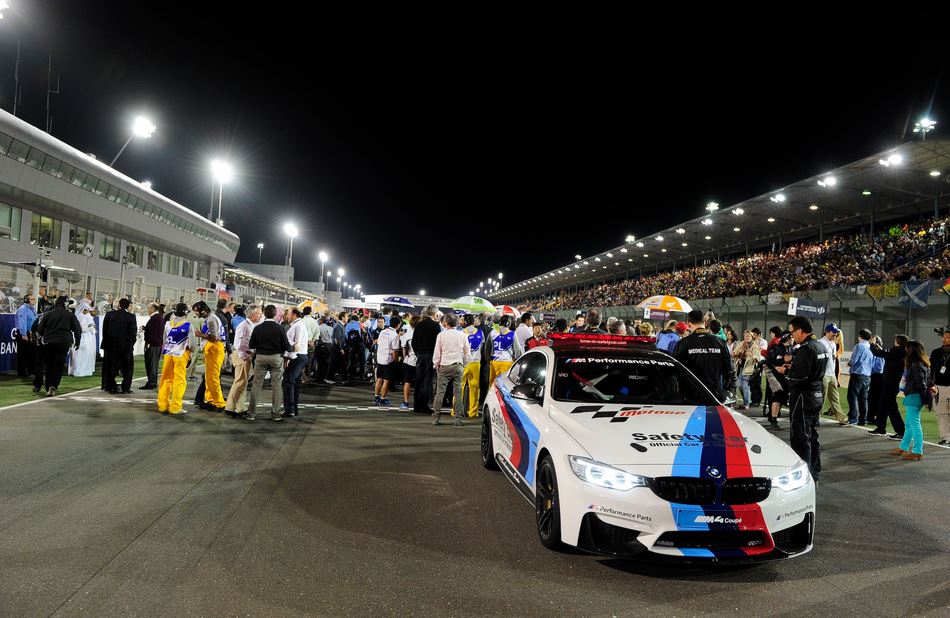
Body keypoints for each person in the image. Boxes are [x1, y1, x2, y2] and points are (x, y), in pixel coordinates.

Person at [775, 315, 826, 481]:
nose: (792, 336)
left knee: (800, 437)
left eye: (792, 332)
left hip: (803, 396)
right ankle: (814, 471)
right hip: (816, 393)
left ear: (800, 331)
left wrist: (786, 371)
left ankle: (803, 476)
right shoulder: (820, 346)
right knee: (812, 435)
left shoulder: (805, 348)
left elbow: (800, 376)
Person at [673, 309, 736, 401]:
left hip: (689, 396)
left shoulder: (682, 343)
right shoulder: (720, 342)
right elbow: (728, 370)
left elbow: (676, 370)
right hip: (713, 394)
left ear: (689, 323)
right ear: (705, 321)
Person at [246, 304, 291, 422]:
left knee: (256, 385)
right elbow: (287, 346)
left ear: (264, 314)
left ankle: (251, 413)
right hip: (276, 358)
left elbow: (251, 345)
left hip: (261, 357)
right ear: (275, 314)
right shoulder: (280, 328)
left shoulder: (258, 328)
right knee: (276, 386)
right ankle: (276, 413)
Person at [890, 340, 931, 461]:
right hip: (915, 395)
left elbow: (921, 382)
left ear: (912, 350)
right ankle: (903, 447)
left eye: (907, 348)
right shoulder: (923, 362)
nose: (905, 350)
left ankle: (918, 451)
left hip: (914, 395)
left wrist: (923, 397)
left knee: (914, 424)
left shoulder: (915, 363)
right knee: (909, 424)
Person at [33, 296, 82, 397]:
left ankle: (48, 386)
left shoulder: (47, 314)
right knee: (58, 365)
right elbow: (77, 330)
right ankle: (53, 385)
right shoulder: (70, 315)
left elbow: (39, 330)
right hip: (63, 343)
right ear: (65, 304)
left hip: (49, 342)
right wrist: (78, 342)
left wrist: (42, 339)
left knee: (49, 365)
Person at [431, 313, 471, 426]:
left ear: (446, 323)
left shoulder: (441, 335)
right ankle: (457, 418)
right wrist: (464, 364)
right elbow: (467, 353)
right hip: (458, 365)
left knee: (440, 393)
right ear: (457, 323)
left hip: (444, 365)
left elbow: (437, 352)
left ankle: (436, 418)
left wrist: (436, 365)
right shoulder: (462, 335)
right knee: (458, 393)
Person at [157, 303, 196, 416]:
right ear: (186, 313)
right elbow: (192, 345)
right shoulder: (188, 325)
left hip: (168, 354)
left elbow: (164, 340)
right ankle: (175, 407)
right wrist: (191, 354)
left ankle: (163, 405)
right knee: (179, 381)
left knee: (165, 379)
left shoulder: (168, 324)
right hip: (181, 355)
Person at [225, 305, 261, 417]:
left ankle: (239, 407)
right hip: (242, 356)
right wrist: (245, 356)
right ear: (253, 315)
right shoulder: (244, 326)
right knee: (240, 382)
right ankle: (230, 407)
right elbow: (238, 344)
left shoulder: (249, 325)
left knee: (243, 383)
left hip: (245, 355)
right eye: (259, 313)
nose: (260, 316)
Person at [869, 334, 907, 438]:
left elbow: (878, 353)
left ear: (898, 342)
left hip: (891, 382)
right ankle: (881, 427)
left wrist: (872, 345)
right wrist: (877, 346)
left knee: (891, 407)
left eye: (895, 340)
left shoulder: (896, 351)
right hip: (892, 382)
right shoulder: (901, 351)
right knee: (883, 405)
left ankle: (901, 431)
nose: (894, 341)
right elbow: (885, 353)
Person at [195, 301, 227, 411]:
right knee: (209, 377)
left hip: (215, 348)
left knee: (213, 378)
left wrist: (200, 335)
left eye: (197, 311)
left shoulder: (211, 319)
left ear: (203, 310)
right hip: (213, 349)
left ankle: (219, 403)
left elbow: (214, 337)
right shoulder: (210, 318)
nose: (196, 313)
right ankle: (211, 400)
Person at [101, 298, 138, 394]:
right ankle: (125, 388)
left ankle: (110, 387)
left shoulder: (110, 315)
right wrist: (130, 345)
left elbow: (104, 331)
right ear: (128, 306)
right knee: (128, 369)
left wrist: (106, 344)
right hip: (126, 347)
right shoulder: (131, 317)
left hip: (111, 347)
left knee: (111, 367)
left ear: (119, 305)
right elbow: (133, 333)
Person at [412, 305, 441, 414]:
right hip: (430, 355)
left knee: (419, 380)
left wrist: (418, 353)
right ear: (434, 314)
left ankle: (416, 405)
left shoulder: (418, 325)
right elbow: (438, 344)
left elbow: (413, 342)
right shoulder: (435, 326)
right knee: (427, 380)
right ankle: (424, 405)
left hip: (420, 355)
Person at [817, 324, 847, 424]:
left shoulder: (833, 344)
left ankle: (841, 418)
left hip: (832, 374)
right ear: (827, 331)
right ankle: (816, 417)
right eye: (833, 332)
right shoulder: (820, 343)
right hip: (824, 374)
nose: (835, 334)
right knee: (822, 397)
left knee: (835, 397)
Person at [282, 307, 309, 418]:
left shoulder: (298, 326)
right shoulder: (298, 325)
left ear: (294, 314)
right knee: (294, 383)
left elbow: (296, 345)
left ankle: (290, 410)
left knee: (288, 382)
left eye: (288, 313)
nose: (286, 316)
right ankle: (293, 409)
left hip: (297, 356)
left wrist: (289, 357)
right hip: (299, 356)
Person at [927, 328, 950, 447]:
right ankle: (946, 438)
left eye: (948, 337)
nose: (944, 339)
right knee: (942, 414)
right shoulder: (936, 352)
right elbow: (930, 370)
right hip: (939, 387)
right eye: (944, 337)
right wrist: (931, 384)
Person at [847, 329, 873, 425]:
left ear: (860, 336)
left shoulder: (859, 346)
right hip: (867, 376)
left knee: (852, 396)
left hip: (857, 375)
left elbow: (853, 361)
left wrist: (848, 364)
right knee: (863, 398)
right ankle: (863, 419)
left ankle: (853, 418)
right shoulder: (870, 348)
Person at [374, 316, 402, 406]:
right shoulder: (394, 335)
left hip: (380, 358)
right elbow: (395, 351)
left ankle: (376, 397)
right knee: (386, 380)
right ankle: (382, 399)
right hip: (388, 360)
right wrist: (396, 361)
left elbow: (378, 342)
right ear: (398, 325)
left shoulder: (383, 332)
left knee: (379, 379)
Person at [489, 315, 520, 387]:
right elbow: (518, 351)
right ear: (508, 323)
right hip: (506, 362)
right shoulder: (513, 334)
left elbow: (488, 349)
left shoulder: (492, 333)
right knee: (503, 386)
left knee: (492, 386)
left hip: (494, 362)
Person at [732, 330, 760, 410]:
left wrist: (751, 356)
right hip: (740, 368)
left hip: (749, 368)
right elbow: (735, 352)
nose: (746, 337)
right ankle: (746, 402)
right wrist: (737, 354)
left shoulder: (755, 346)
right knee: (740, 386)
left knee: (745, 387)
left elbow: (757, 358)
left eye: (748, 336)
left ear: (752, 337)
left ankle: (746, 404)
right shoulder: (741, 344)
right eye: (745, 336)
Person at [70, 300, 97, 377]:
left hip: (88, 337)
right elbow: (83, 328)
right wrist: (91, 328)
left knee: (86, 354)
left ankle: (85, 370)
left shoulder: (85, 316)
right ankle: (79, 370)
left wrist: (91, 327)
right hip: (84, 337)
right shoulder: (81, 317)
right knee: (81, 354)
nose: (88, 311)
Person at [141, 302, 164, 389]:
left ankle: (152, 382)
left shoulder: (156, 318)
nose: (147, 310)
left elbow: (155, 333)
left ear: (153, 309)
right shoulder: (157, 318)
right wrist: (146, 328)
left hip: (153, 345)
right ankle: (151, 381)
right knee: (151, 363)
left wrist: (149, 343)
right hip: (155, 344)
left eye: (149, 308)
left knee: (152, 364)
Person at [14, 294, 36, 377]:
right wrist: (24, 334)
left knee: (31, 353)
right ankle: (22, 372)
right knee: (23, 354)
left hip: (30, 333)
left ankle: (31, 371)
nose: (34, 300)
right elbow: (22, 322)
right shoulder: (23, 309)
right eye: (32, 299)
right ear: (27, 300)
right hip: (24, 333)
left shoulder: (32, 309)